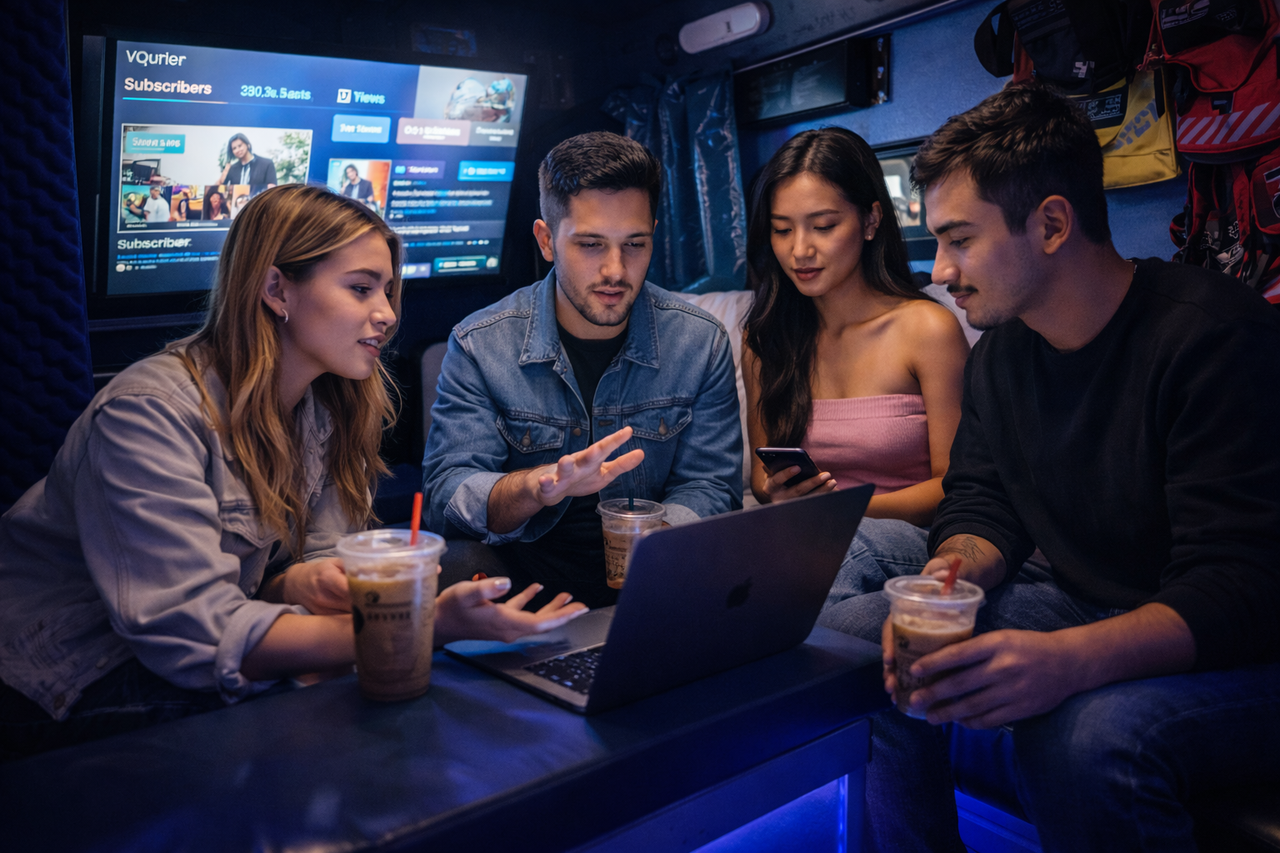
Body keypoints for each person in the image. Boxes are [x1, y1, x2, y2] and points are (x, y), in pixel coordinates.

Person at [818, 81, 1280, 853]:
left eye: (961, 239)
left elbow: (1240, 589)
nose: (940, 269)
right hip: (1092, 600)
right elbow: (982, 501)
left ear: (1053, 224)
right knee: (862, 642)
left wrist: (1065, 662)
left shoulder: (1212, 339)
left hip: (1249, 646)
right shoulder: (1004, 355)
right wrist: (954, 574)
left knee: (1085, 736)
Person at [0, 185, 585, 760]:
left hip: (190, 649)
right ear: (277, 288)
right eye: (361, 289)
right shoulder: (148, 413)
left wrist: (304, 582)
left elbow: (299, 568)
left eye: (387, 291)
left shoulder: (325, 406)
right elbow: (196, 639)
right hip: (69, 676)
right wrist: (419, 628)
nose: (386, 314)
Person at [421, 131, 742, 609]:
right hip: (526, 576)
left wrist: (654, 539)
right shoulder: (480, 343)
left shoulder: (700, 341)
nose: (616, 269)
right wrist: (536, 486)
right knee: (454, 567)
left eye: (635, 243)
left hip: (656, 571)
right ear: (546, 240)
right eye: (591, 244)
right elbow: (449, 495)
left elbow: (712, 486)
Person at [742, 128, 968, 527]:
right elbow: (763, 478)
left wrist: (842, 511)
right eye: (782, 230)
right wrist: (778, 493)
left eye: (824, 226)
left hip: (904, 543)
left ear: (870, 220)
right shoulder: (766, 336)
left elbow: (957, 484)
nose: (799, 251)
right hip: (805, 536)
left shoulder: (927, 331)